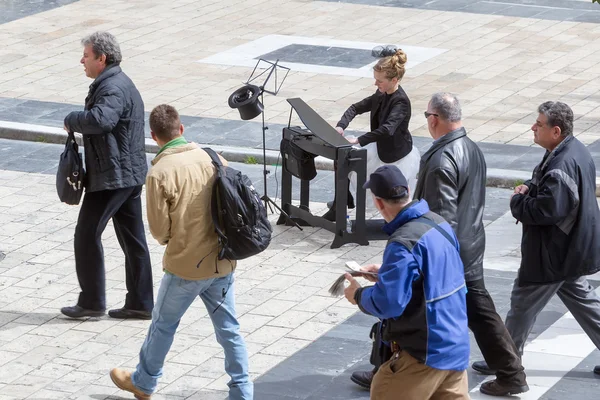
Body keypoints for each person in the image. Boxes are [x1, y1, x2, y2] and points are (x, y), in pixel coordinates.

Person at [109, 105, 252, 400]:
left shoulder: (160, 172)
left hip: (186, 266)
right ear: (181, 129)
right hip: (223, 261)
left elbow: (160, 231)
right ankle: (242, 390)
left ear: (154, 136)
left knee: (163, 325)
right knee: (229, 328)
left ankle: (144, 383)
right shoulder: (213, 158)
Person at [412, 92, 529, 396]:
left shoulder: (442, 159)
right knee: (479, 311)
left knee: (409, 303)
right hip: (471, 243)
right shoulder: (471, 148)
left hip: (450, 251)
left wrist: (430, 257)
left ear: (434, 119)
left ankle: (387, 368)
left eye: (427, 116)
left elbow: (441, 218)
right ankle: (511, 372)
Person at [472, 101, 600, 377]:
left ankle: (504, 360)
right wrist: (530, 187)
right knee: (586, 304)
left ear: (555, 131)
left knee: (522, 303)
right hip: (571, 250)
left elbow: (546, 210)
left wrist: (518, 200)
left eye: (538, 124)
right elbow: (551, 190)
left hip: (552, 254)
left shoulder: (563, 162)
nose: (532, 127)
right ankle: (504, 357)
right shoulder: (573, 150)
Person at [343, 165, 470, 400]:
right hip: (456, 345)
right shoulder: (439, 223)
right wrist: (387, 274)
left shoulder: (402, 243)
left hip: (424, 353)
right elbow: (437, 274)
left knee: (384, 389)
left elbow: (389, 303)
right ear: (408, 190)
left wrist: (358, 296)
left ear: (379, 203)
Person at [61, 31, 153, 320]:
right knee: (133, 239)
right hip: (126, 174)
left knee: (86, 235)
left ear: (102, 58)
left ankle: (91, 302)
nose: (82, 61)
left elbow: (101, 120)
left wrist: (71, 119)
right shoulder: (115, 81)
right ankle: (140, 303)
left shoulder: (113, 87)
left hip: (113, 176)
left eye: (86, 56)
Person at [322, 48, 420, 221]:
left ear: (394, 80)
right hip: (380, 145)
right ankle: (341, 203)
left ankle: (353, 206)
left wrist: (358, 140)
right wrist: (340, 126)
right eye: (375, 80)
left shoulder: (401, 101)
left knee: (380, 184)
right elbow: (356, 107)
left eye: (379, 81)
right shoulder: (381, 93)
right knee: (343, 158)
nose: (376, 84)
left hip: (395, 153)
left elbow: (387, 129)